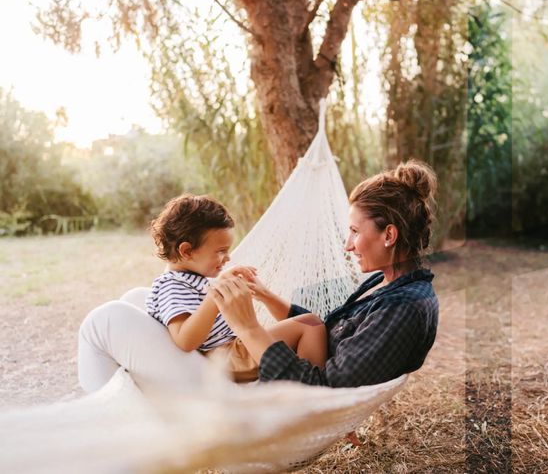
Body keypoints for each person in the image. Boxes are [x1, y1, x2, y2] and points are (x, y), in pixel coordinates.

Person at [77, 160, 439, 391]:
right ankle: (128, 410)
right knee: (135, 299)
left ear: (389, 235)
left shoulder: (404, 309)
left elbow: (324, 385)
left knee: (105, 319)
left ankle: (115, 420)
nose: (347, 245)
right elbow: (326, 333)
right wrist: (263, 295)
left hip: (226, 374)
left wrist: (248, 327)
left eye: (355, 232)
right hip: (214, 356)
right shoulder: (387, 285)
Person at [143, 194, 327, 383]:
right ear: (187, 251)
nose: (228, 258)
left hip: (236, 350)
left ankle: (301, 389)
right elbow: (184, 340)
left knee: (308, 325)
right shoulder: (171, 286)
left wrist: (222, 283)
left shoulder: (191, 279)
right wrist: (217, 293)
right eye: (221, 251)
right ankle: (309, 393)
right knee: (311, 324)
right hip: (226, 356)